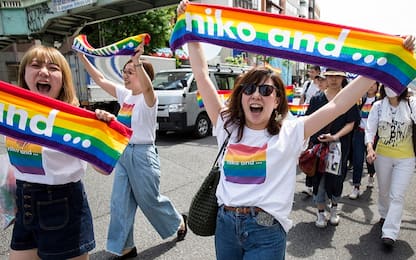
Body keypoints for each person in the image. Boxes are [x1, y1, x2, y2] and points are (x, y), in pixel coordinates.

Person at [177, 1, 414, 258]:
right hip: (225, 227)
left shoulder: (291, 132)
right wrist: (190, 28)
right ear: (241, 96)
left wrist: (382, 64)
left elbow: (337, 105)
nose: (256, 94)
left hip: (266, 233)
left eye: (266, 90)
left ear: (277, 100)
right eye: (249, 89)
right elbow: (201, 74)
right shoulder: (227, 125)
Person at [76, 41, 187, 259]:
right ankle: (126, 247)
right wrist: (82, 58)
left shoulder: (149, 99)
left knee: (150, 201)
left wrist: (137, 61)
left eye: (131, 72)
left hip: (143, 156)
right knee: (119, 203)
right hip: (124, 154)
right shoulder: (125, 95)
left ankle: (179, 221)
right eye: (125, 72)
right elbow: (100, 79)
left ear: (142, 75)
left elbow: (147, 88)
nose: (126, 76)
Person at [7, 45, 115, 260]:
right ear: (24, 74)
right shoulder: (12, 113)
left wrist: (102, 131)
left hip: (62, 205)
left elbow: (103, 170)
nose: (44, 72)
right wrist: (9, 200)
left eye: (53, 68)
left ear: (63, 79)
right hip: (24, 204)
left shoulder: (77, 120)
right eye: (35, 65)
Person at [305, 69, 360, 228]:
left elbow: (351, 123)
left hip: (339, 148)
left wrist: (335, 137)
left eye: (338, 76)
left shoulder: (349, 99)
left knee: (336, 180)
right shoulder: (317, 98)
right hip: (319, 147)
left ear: (343, 77)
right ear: (325, 78)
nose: (334, 79)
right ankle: (320, 212)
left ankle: (334, 209)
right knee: (319, 179)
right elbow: (309, 120)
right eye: (330, 76)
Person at [366, 84, 416, 248]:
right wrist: (370, 148)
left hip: (406, 158)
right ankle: (384, 213)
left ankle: (389, 233)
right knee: (384, 191)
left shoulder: (411, 104)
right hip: (383, 157)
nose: (390, 87)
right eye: (387, 83)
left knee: (397, 195)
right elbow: (370, 129)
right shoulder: (378, 106)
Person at [349, 82, 380, 199]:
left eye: (373, 84)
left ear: (377, 86)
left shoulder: (380, 101)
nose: (370, 86)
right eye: (369, 84)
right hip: (359, 133)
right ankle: (356, 186)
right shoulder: (360, 99)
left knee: (370, 160)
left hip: (373, 136)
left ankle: (371, 174)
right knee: (357, 160)